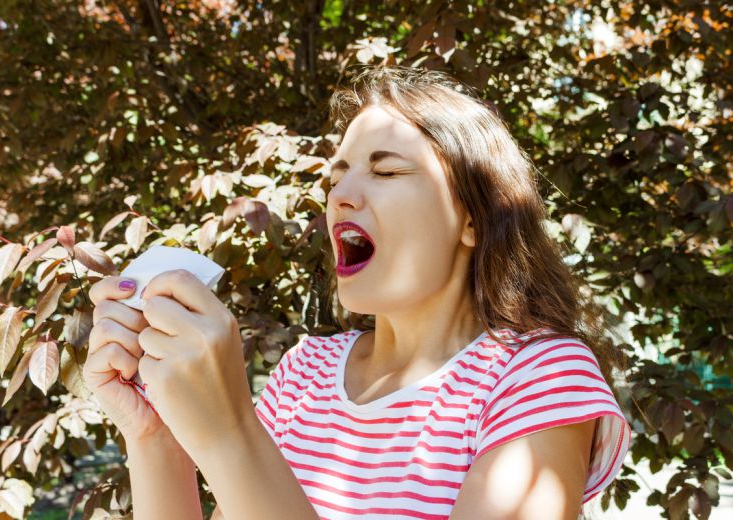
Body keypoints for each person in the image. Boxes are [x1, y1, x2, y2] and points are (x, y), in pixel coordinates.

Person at [83, 65, 631, 520]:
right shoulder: (306, 372)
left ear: (474, 219)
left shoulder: (538, 375)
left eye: (386, 172)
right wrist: (155, 435)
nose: (341, 193)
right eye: (337, 176)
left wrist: (230, 432)